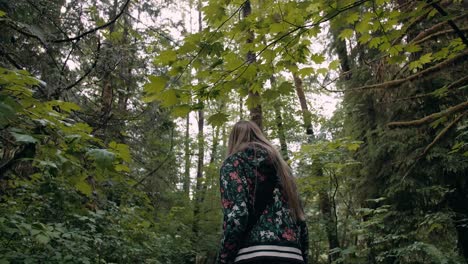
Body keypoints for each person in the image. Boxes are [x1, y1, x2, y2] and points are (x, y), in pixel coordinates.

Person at [216, 120, 309, 264]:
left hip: (253, 254)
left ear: (233, 140)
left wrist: (223, 258)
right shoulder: (284, 169)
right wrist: (303, 255)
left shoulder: (233, 163)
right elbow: (300, 217)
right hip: (293, 254)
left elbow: (237, 216)